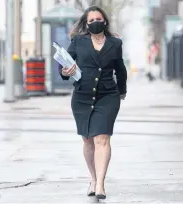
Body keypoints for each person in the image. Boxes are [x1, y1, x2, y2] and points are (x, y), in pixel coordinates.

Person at [59, 5, 127, 200]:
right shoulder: (78, 41)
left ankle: (100, 184)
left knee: (102, 138)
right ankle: (93, 177)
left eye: (99, 19)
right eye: (91, 21)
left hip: (108, 96)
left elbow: (120, 69)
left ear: (104, 21)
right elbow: (64, 64)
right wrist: (65, 72)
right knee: (88, 140)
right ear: (86, 25)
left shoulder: (115, 43)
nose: (96, 22)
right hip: (81, 96)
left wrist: (122, 91)